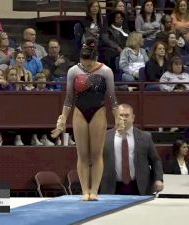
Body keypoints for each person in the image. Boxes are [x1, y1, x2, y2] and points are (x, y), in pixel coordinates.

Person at [51, 38, 120, 201]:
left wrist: (118, 117)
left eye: (89, 65)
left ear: (96, 59)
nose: (86, 68)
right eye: (84, 64)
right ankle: (85, 191)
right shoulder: (74, 71)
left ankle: (94, 190)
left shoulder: (106, 71)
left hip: (98, 111)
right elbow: (69, 98)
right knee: (82, 154)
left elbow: (112, 97)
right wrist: (62, 119)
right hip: (80, 112)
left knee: (96, 154)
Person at [100, 103, 164, 195]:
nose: (124, 118)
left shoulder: (145, 137)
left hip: (139, 187)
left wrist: (158, 179)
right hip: (111, 187)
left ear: (133, 117)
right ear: (115, 117)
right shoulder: (104, 137)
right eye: (121, 115)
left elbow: (155, 160)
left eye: (127, 115)